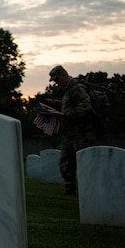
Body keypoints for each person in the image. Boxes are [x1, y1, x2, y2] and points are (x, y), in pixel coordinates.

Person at [48, 65, 97, 195]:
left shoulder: (77, 88)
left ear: (64, 75)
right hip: (69, 132)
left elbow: (85, 106)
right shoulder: (67, 90)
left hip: (82, 132)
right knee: (66, 162)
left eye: (57, 80)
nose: (57, 83)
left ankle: (88, 189)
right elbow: (67, 106)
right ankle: (70, 188)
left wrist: (68, 115)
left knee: (83, 162)